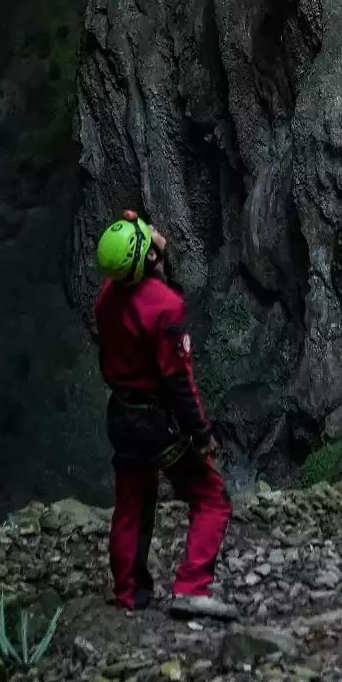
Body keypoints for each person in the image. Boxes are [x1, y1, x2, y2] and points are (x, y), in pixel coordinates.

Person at [93, 212, 236, 619]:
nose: (156, 232)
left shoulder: (107, 296)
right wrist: (201, 433)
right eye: (147, 236)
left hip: (122, 414)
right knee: (211, 498)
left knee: (132, 501)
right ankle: (191, 587)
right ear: (147, 257)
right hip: (158, 424)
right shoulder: (165, 308)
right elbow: (179, 380)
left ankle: (129, 593)